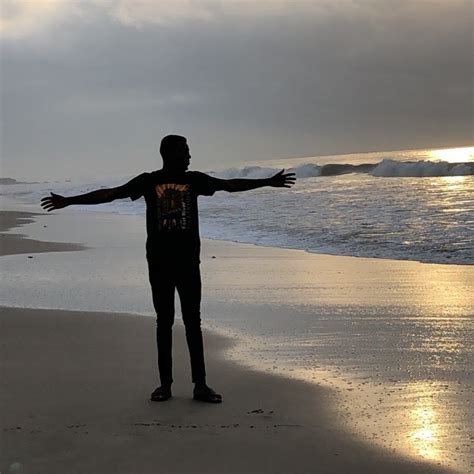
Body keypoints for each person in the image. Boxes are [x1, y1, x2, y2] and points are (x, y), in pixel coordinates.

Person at [41, 135, 296, 403]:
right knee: (164, 322)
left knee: (193, 322)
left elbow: (229, 185)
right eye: (185, 151)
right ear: (170, 153)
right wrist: (69, 200)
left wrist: (267, 182)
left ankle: (200, 385)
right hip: (159, 262)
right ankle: (165, 385)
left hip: (188, 262)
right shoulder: (148, 181)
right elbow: (111, 193)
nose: (189, 156)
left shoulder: (194, 180)